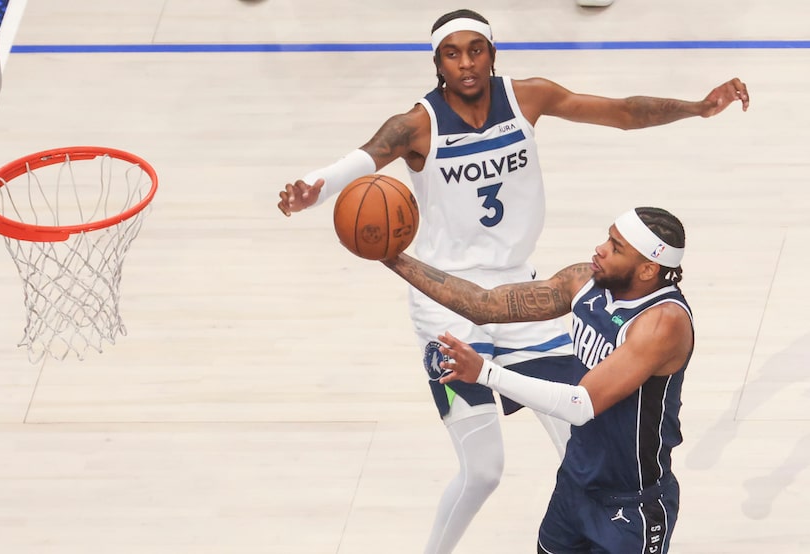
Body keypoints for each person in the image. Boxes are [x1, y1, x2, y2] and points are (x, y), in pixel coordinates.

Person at [277, 8, 747, 553]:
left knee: (582, 440)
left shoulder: (528, 98)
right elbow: (363, 159)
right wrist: (316, 186)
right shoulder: (418, 125)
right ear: (437, 63)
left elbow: (620, 112)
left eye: (475, 49)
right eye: (452, 54)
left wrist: (696, 108)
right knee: (484, 471)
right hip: (446, 299)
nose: (466, 63)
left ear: (492, 53)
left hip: (523, 291)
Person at [382, 206, 693, 554]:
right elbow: (482, 304)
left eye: (616, 247)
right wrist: (393, 258)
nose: (601, 249)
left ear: (649, 269)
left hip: (631, 504)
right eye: (608, 237)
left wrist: (484, 373)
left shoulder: (663, 323)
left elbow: (581, 405)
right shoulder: (584, 280)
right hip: (574, 485)